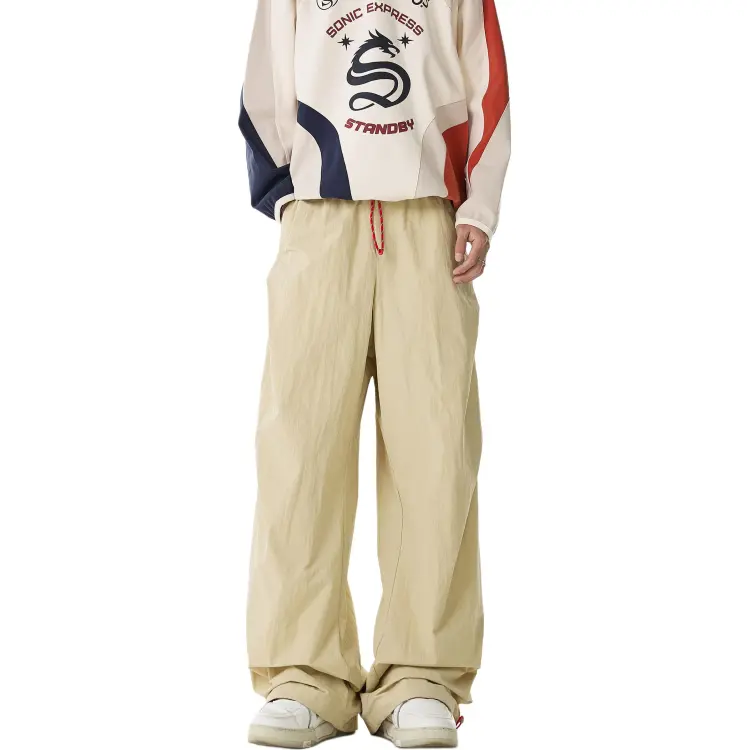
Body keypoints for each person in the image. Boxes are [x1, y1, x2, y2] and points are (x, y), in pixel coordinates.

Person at [238, 0, 510, 746]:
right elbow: (265, 80)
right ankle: (305, 675)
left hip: (428, 221)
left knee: (436, 452)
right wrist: (291, 198)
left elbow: (486, 82)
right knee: (300, 450)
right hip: (321, 219)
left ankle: (422, 675)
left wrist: (478, 208)